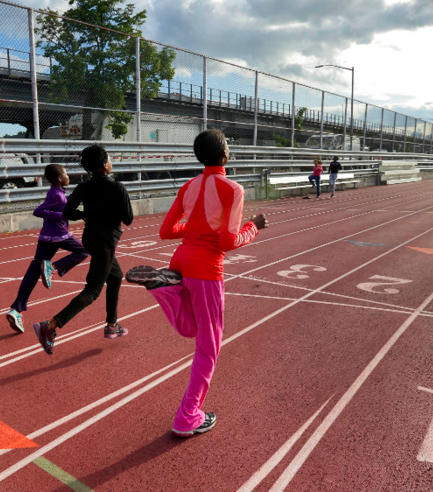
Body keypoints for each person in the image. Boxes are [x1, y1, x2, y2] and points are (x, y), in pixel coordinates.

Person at [125, 130, 268, 437]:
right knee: (209, 347)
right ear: (225, 156)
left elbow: (166, 231)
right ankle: (188, 416)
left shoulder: (188, 186)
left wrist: (195, 226)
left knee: (191, 329)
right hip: (205, 269)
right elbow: (228, 241)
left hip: (180, 260)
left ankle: (166, 288)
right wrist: (253, 227)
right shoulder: (233, 189)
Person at [33, 144, 134, 354]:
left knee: (116, 276)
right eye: (109, 158)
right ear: (105, 164)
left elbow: (68, 212)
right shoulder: (118, 188)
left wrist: (86, 215)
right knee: (93, 290)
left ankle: (112, 325)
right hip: (106, 243)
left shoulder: (83, 188)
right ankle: (50, 326)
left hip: (90, 239)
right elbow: (128, 219)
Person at [6, 164, 89, 334]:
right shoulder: (56, 195)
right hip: (59, 236)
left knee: (33, 272)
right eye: (66, 174)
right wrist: (63, 215)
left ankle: (16, 310)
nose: (68, 176)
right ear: (59, 178)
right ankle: (54, 267)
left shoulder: (57, 193)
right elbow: (39, 211)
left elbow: (63, 204)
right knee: (84, 251)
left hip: (46, 237)